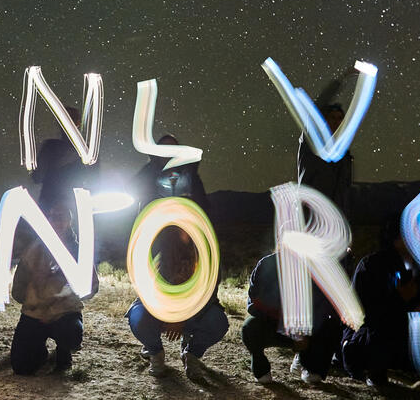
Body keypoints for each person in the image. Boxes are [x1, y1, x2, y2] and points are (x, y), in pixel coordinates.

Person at [341, 217, 420, 400]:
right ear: (396, 238)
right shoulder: (372, 266)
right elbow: (358, 313)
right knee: (381, 324)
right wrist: (398, 300)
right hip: (380, 336)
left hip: (418, 338)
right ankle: (375, 372)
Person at [125, 226, 229, 379]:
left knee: (218, 321)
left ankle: (191, 354)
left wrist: (182, 318)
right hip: (160, 310)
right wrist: (170, 314)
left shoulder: (209, 258)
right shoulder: (160, 251)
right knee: (138, 316)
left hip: (193, 313)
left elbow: (208, 296)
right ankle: (155, 352)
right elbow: (149, 292)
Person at [9, 200, 98, 374]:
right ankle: (39, 352)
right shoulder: (33, 250)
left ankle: (63, 351)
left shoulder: (78, 252)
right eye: (51, 216)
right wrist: (34, 300)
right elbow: (18, 288)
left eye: (60, 217)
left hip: (64, 315)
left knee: (70, 334)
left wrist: (64, 296)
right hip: (34, 314)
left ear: (69, 221)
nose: (55, 221)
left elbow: (92, 287)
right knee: (21, 367)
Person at [242, 253, 343, 385]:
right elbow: (255, 305)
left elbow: (326, 306)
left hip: (308, 327)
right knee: (250, 327)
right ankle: (261, 368)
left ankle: (310, 364)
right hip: (277, 324)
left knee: (332, 325)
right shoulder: (267, 264)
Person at [297, 69, 359, 217]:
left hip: (335, 222)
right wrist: (342, 79)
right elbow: (317, 106)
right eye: (332, 118)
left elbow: (343, 192)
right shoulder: (312, 144)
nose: (336, 122)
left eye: (339, 118)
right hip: (312, 219)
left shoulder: (343, 155)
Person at [129, 134, 210, 212]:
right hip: (155, 218)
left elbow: (202, 203)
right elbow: (132, 188)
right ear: (158, 154)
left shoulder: (190, 177)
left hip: (184, 219)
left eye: (173, 148)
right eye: (165, 148)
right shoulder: (148, 174)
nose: (169, 153)